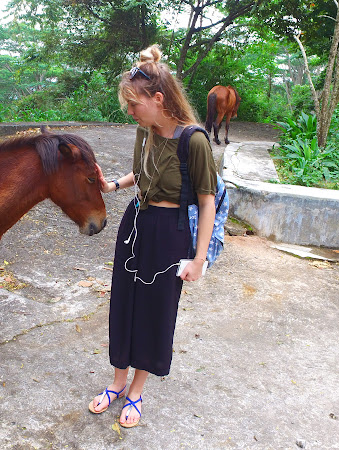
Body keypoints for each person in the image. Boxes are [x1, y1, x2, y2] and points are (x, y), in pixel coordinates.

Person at [88, 44, 219, 428]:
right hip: (136, 223)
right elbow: (141, 175)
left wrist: (199, 258)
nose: (130, 112)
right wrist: (113, 185)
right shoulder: (144, 131)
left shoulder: (193, 141)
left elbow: (207, 202)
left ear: (158, 98)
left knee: (154, 311)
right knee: (124, 304)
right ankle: (116, 382)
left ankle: (136, 390)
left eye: (134, 104)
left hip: (169, 232)